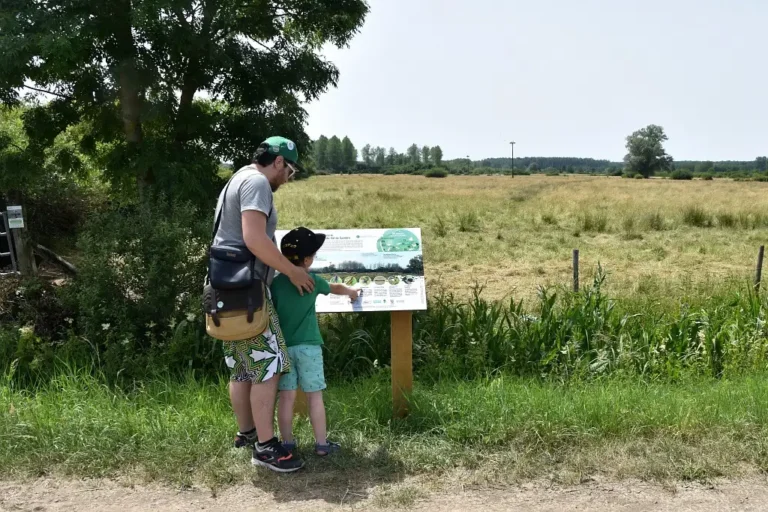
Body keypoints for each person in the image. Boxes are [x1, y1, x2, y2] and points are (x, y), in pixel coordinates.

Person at [212, 136, 314, 473]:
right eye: (291, 170)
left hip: (225, 290)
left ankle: (247, 433)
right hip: (249, 291)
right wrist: (294, 272)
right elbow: (254, 238)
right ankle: (267, 448)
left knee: (242, 366)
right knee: (267, 366)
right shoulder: (257, 182)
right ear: (280, 162)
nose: (288, 178)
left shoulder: (237, 177)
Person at [271, 227, 360, 456]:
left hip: (284, 347)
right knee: (315, 396)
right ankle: (321, 445)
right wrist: (352, 292)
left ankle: (287, 443)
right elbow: (336, 288)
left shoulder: (276, 284)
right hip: (309, 346)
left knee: (287, 398)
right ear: (308, 259)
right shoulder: (313, 280)